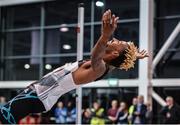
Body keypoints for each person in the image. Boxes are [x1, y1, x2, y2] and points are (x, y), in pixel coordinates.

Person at [0, 9, 148, 124]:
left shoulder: (100, 67)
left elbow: (95, 56)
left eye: (118, 42)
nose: (114, 38)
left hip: (39, 96)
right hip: (39, 94)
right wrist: (133, 55)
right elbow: (117, 60)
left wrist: (104, 36)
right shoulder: (108, 64)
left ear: (115, 53)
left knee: (4, 116)